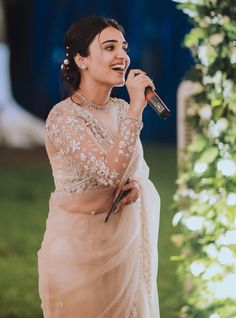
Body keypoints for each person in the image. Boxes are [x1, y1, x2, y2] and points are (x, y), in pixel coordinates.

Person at [37, 16, 160, 318]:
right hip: (78, 254)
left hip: (124, 249)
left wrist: (136, 186)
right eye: (109, 47)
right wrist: (136, 108)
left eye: (124, 47)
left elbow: (131, 171)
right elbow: (110, 172)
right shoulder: (64, 117)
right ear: (81, 59)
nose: (122, 56)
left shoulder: (120, 110)